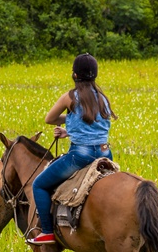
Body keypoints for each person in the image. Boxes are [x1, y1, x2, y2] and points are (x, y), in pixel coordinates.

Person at [26, 53, 117, 246]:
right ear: (95, 75)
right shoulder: (102, 98)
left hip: (81, 155)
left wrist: (67, 122)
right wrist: (70, 129)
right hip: (104, 152)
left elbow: (49, 119)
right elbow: (92, 124)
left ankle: (48, 232)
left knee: (39, 185)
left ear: (75, 75)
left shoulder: (70, 97)